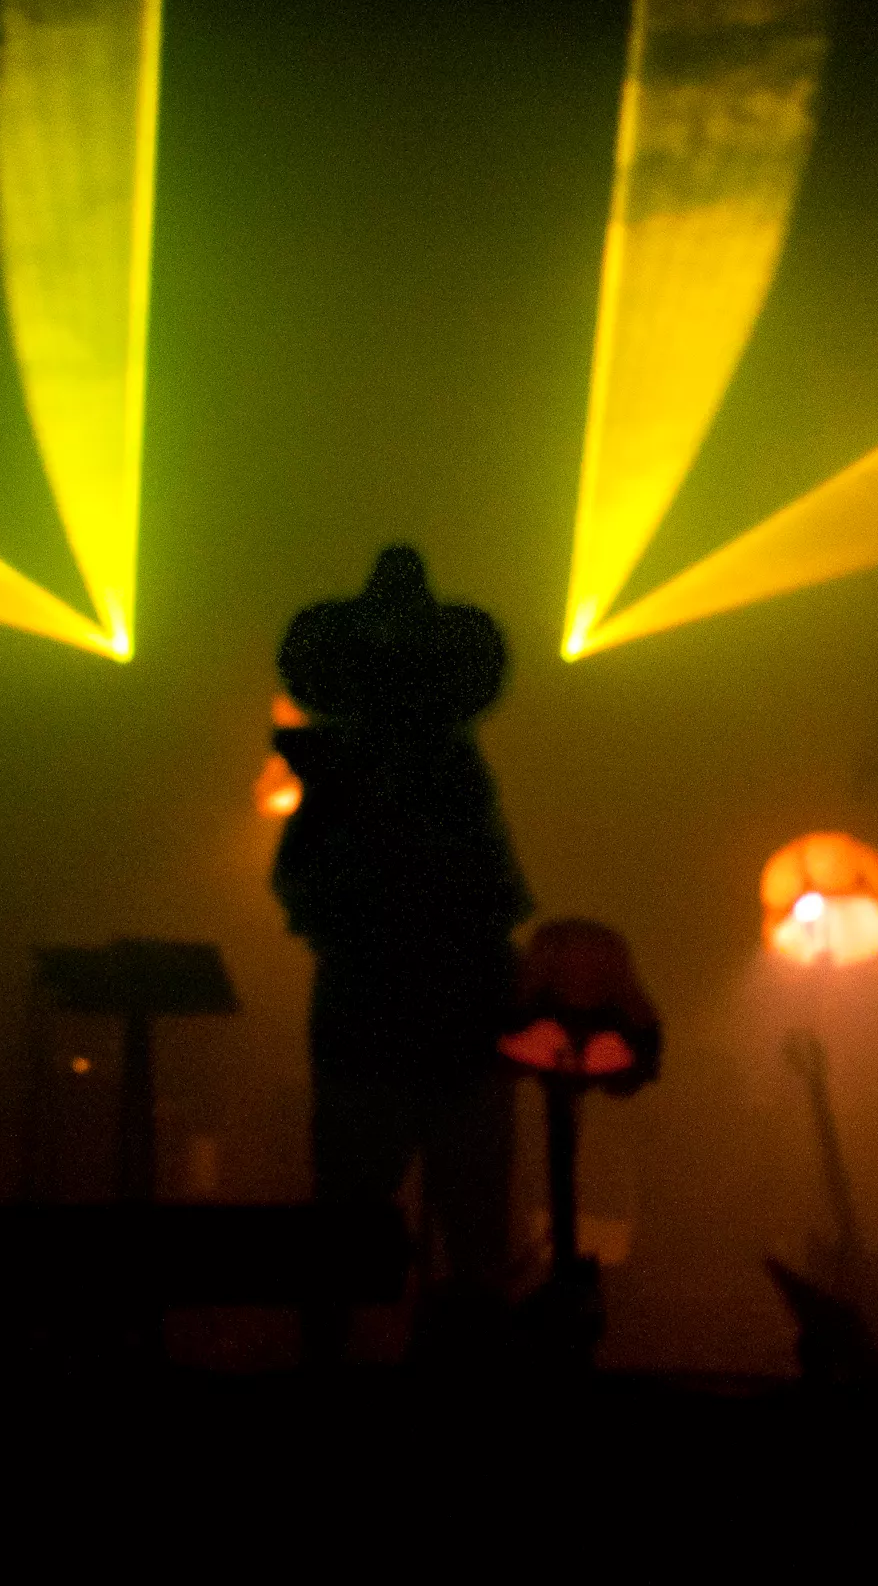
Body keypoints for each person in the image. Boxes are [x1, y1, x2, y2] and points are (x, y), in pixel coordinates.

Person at [273, 546, 531, 1362]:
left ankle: (333, 1365)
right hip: (444, 1007)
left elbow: (301, 886)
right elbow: (493, 891)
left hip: (381, 1006)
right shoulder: (446, 767)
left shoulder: (348, 765)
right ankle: (453, 1367)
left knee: (357, 1217)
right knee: (454, 1217)